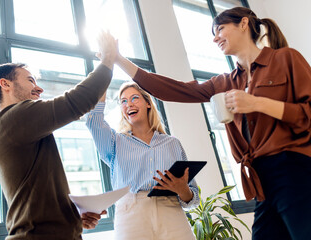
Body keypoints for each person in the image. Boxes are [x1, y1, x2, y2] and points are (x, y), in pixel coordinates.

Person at [109, 6, 311, 240]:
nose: (215, 38)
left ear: (244, 24)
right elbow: (175, 90)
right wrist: (118, 59)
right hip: (260, 179)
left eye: (220, 29)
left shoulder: (285, 58)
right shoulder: (224, 83)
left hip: (293, 168)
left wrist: (258, 104)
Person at [0, 32, 117, 239]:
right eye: (30, 80)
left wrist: (72, 218)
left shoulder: (15, 126)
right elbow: (78, 101)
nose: (39, 88)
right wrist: (109, 58)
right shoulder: (13, 118)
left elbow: (35, 195)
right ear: (5, 84)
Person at [86, 81, 199, 240]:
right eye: (123, 101)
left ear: (147, 103)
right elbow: (93, 121)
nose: (128, 104)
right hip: (131, 214)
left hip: (171, 211)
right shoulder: (114, 142)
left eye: (134, 98)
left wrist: (183, 191)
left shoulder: (172, 143)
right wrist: (104, 75)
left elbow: (193, 197)